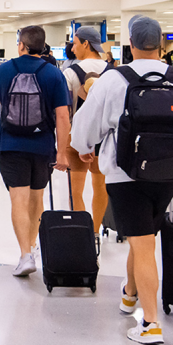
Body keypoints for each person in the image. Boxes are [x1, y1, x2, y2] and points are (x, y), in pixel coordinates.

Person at [71, 15, 173, 344]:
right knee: (143, 236)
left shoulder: (113, 79)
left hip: (125, 174)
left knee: (144, 243)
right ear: (161, 45)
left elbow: (84, 128)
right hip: (168, 173)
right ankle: (129, 293)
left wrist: (83, 148)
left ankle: (150, 323)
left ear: (131, 45)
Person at [0, 25, 72, 276]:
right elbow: (63, 117)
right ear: (43, 47)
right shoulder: (53, 74)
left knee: (18, 199)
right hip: (42, 146)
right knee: (37, 198)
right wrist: (62, 152)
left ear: (21, 45)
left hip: (11, 145)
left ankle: (25, 255)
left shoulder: (5, 69)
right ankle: (32, 246)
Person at [61, 26, 111, 239]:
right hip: (105, 138)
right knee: (101, 186)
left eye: (75, 42)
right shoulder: (114, 71)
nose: (73, 48)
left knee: (76, 191)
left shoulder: (71, 73)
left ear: (85, 44)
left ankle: (81, 234)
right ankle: (95, 232)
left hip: (77, 138)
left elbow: (66, 110)